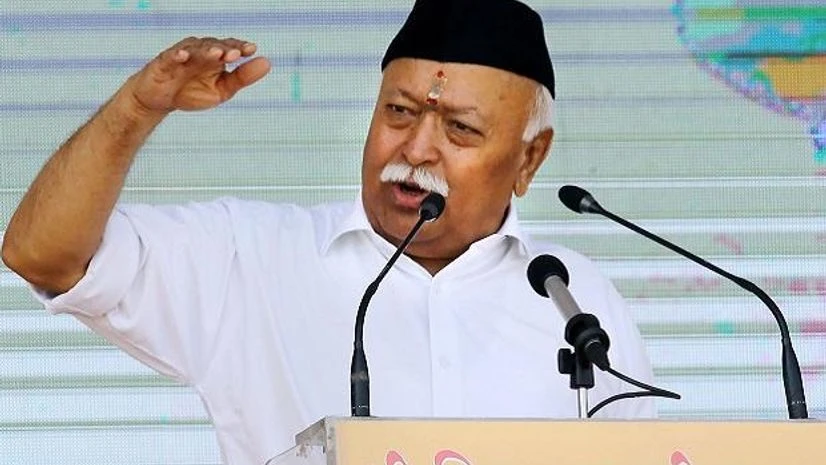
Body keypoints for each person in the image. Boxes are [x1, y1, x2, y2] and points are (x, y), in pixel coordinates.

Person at [1, 0, 656, 464]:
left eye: (459, 129)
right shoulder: (250, 259)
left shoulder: (576, 300)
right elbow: (42, 253)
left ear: (529, 159)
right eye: (398, 113)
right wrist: (138, 109)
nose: (418, 148)